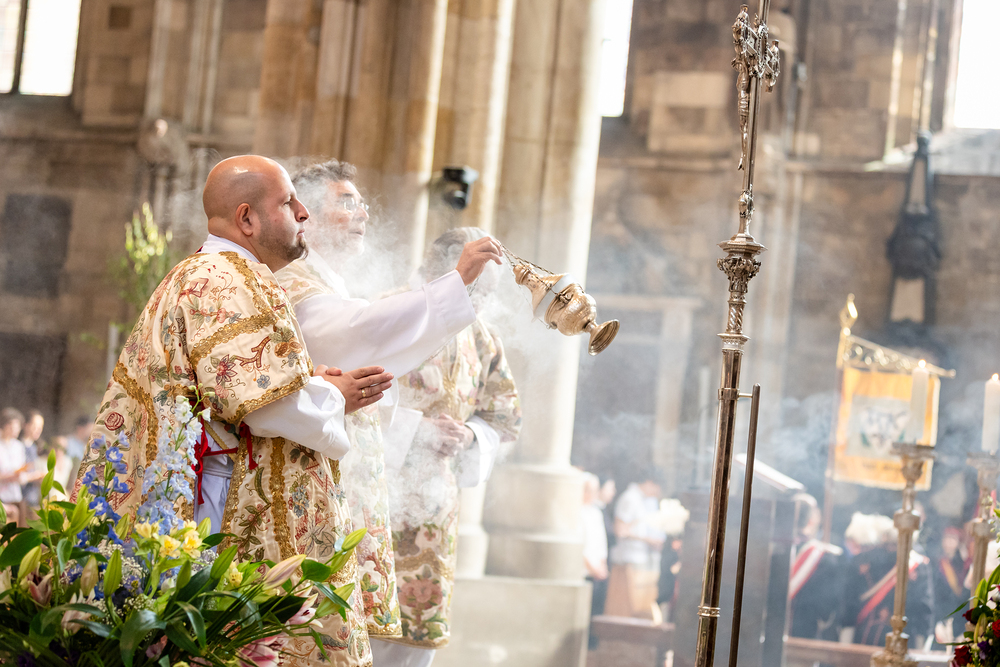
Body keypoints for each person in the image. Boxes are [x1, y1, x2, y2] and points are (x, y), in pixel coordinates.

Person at [73, 155, 393, 667]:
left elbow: (238, 384)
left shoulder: (217, 272)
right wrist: (337, 397)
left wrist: (313, 382)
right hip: (214, 507)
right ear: (247, 218)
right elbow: (261, 404)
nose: (303, 213)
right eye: (288, 202)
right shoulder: (225, 279)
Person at [274, 161, 501, 648]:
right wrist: (456, 282)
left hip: (397, 491)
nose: (363, 213)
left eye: (363, 203)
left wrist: (469, 436)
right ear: (305, 214)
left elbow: (502, 413)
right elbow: (359, 333)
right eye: (347, 202)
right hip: (308, 480)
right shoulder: (295, 282)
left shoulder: (333, 285)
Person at [376, 227, 522, 667]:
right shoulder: (388, 310)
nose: (481, 303)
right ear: (443, 271)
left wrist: (470, 435)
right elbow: (344, 394)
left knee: (415, 642)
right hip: (376, 496)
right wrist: (415, 430)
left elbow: (505, 418)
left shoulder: (482, 336)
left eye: (489, 294)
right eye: (477, 288)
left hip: (436, 513)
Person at [839, 513, 934, 648]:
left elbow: (922, 607)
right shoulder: (865, 559)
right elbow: (850, 599)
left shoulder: (917, 565)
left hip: (893, 635)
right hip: (872, 633)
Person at [605, 474, 666, 619]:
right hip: (627, 560)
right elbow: (620, 529)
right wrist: (647, 539)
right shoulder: (630, 498)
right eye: (657, 487)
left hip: (641, 561)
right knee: (624, 608)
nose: (657, 492)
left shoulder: (645, 500)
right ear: (649, 482)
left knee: (639, 606)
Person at [787, 493, 843, 640]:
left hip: (769, 630)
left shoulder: (773, 548)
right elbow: (826, 609)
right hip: (804, 634)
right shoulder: (825, 559)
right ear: (812, 520)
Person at [582, 472, 610, 648]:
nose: (592, 493)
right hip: (584, 571)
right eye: (588, 489)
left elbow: (601, 542)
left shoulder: (596, 513)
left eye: (595, 490)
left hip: (598, 571)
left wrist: (602, 565)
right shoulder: (575, 512)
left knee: (595, 612)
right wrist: (591, 567)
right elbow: (579, 545)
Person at [932, 526, 969, 645]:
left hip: (958, 610)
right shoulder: (937, 562)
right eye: (947, 538)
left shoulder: (962, 564)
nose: (949, 542)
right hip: (941, 610)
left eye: (953, 539)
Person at [0, 408, 27, 525]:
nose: (16, 430)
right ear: (5, 426)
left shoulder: (19, 446)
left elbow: (21, 471)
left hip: (15, 495)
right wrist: (8, 476)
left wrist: (21, 476)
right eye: (13, 427)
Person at [19, 409, 45, 512]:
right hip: (21, 497)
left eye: (40, 427)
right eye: (35, 426)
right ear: (25, 425)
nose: (37, 430)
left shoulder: (35, 447)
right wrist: (33, 476)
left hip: (33, 497)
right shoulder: (18, 446)